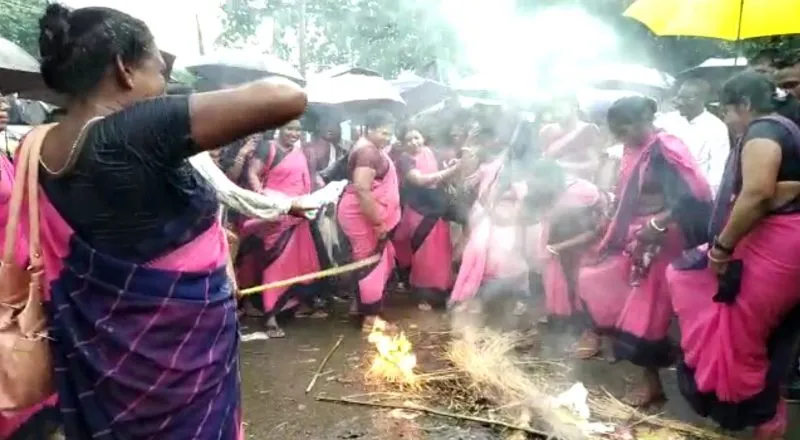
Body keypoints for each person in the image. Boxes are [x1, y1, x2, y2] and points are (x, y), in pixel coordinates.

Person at [31, 4, 306, 439]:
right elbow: (287, 96)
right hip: (177, 365)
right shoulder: (132, 131)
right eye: (158, 71)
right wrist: (188, 106)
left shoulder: (38, 144)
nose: (163, 87)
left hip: (105, 362)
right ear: (124, 68)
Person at [666, 72, 800, 440]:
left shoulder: (763, 131)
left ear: (743, 105)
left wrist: (722, 247)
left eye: (726, 111)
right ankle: (747, 410)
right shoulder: (785, 126)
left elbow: (755, 193)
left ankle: (766, 422)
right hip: (775, 242)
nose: (726, 120)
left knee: (746, 338)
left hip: (776, 246)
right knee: (751, 329)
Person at [577, 96, 712, 406]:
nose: (621, 138)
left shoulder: (666, 148)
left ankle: (652, 383)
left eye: (624, 130)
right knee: (596, 279)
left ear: (642, 123)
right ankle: (613, 342)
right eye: (617, 133)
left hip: (663, 237)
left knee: (645, 311)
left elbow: (694, 195)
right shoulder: (631, 148)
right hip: (633, 232)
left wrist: (658, 224)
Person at [236, 119, 328, 337]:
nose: (294, 133)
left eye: (297, 129)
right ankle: (270, 316)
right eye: (289, 129)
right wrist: (264, 199)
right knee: (276, 264)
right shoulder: (269, 147)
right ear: (280, 129)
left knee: (299, 264)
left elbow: (306, 180)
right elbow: (253, 174)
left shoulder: (301, 152)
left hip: (300, 214)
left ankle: (292, 306)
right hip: (276, 214)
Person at [336, 110, 401, 331]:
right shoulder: (367, 152)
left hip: (364, 213)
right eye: (383, 133)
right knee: (370, 262)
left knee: (368, 259)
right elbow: (363, 190)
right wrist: (378, 223)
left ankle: (360, 307)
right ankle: (370, 320)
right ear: (369, 130)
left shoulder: (370, 148)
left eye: (390, 134)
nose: (387, 138)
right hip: (363, 215)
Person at [391, 126, 462, 309]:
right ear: (403, 144)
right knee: (424, 253)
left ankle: (441, 290)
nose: (415, 142)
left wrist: (452, 167)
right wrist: (451, 171)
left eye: (417, 137)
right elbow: (419, 180)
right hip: (418, 211)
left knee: (441, 251)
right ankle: (423, 295)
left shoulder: (431, 153)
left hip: (438, 208)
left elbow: (445, 172)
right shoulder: (405, 159)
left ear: (423, 137)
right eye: (409, 140)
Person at [674, 79, 731, 194]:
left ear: (702, 99)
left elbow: (717, 171)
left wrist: (707, 199)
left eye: (686, 98)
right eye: (679, 97)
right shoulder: (667, 121)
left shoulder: (716, 128)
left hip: (694, 196)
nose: (679, 102)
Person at [539, 95, 602, 181]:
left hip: (580, 187)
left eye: (559, 108)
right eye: (553, 109)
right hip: (551, 187)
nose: (556, 113)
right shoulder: (546, 131)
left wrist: (562, 167)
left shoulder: (588, 130)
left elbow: (594, 165)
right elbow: (543, 162)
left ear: (574, 107)